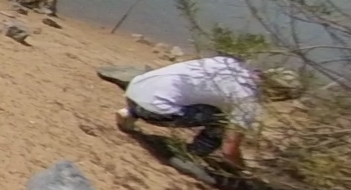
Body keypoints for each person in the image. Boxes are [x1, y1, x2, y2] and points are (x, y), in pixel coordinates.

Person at [114, 56, 289, 169]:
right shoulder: (249, 98)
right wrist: (242, 168)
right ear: (277, 93)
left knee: (188, 93)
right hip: (154, 112)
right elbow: (229, 150)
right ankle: (191, 156)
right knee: (223, 120)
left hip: (134, 90)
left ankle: (130, 114)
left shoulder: (229, 63)